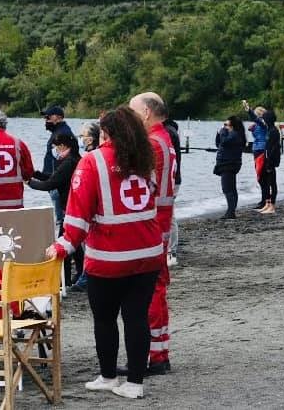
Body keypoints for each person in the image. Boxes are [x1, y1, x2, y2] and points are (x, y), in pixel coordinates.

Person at [45, 107, 162, 400]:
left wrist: (61, 247)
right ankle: (135, 383)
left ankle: (109, 376)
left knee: (105, 319)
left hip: (110, 259)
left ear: (105, 133)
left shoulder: (91, 162)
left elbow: (77, 218)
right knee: (137, 318)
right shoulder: (147, 159)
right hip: (148, 254)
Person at [127, 92, 176, 375]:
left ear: (146, 113)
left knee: (150, 291)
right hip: (162, 224)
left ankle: (155, 355)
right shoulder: (165, 140)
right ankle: (159, 350)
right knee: (156, 289)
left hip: (152, 228)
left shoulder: (152, 144)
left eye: (133, 112)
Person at [27, 133, 81, 286]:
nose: (55, 150)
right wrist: (37, 174)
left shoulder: (68, 163)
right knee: (76, 246)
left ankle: (65, 280)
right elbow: (55, 179)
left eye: (56, 147)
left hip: (69, 209)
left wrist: (29, 182)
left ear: (63, 146)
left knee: (65, 244)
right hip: (75, 207)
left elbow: (49, 185)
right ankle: (78, 276)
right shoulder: (76, 159)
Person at [69, 121, 102, 291]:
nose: (81, 139)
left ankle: (86, 277)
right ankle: (86, 275)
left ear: (90, 139)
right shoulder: (98, 155)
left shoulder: (92, 158)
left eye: (83, 136)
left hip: (93, 210)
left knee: (89, 243)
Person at [41, 106, 76, 225]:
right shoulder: (58, 132)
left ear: (59, 117)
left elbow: (66, 161)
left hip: (59, 184)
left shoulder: (63, 133)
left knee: (62, 221)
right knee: (62, 219)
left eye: (49, 116)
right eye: (45, 117)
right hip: (53, 181)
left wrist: (55, 182)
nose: (46, 119)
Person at [214, 116, 245, 220]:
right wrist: (218, 134)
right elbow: (219, 144)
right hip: (229, 163)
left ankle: (231, 211)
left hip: (229, 164)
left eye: (226, 125)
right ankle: (232, 210)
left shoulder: (234, 135)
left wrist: (222, 132)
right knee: (231, 188)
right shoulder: (232, 134)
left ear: (232, 126)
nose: (224, 127)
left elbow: (224, 142)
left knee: (227, 188)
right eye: (224, 125)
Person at [163, 115, 182, 265]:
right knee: (169, 215)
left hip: (170, 179)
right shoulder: (171, 130)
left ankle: (171, 251)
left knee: (169, 215)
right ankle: (170, 250)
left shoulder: (167, 132)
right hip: (173, 177)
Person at [242, 100, 268, 210]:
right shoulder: (257, 124)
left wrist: (249, 110)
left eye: (256, 115)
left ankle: (265, 199)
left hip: (261, 149)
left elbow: (256, 120)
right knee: (259, 176)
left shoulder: (263, 124)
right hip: (256, 149)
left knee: (261, 176)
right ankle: (264, 198)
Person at [259, 109, 281, 214]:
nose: (263, 121)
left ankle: (272, 205)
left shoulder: (274, 131)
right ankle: (267, 203)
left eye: (264, 119)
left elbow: (274, 149)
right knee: (266, 181)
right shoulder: (269, 130)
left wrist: (270, 162)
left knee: (272, 183)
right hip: (267, 159)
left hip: (271, 161)